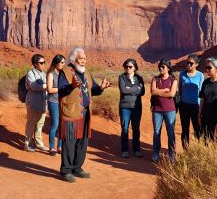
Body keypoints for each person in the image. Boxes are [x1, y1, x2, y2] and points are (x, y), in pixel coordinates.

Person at [57, 47, 111, 182]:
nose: (84, 61)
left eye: (85, 59)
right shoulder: (65, 72)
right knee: (69, 141)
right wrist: (72, 86)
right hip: (71, 111)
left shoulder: (86, 72)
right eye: (81, 59)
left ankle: (77, 167)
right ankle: (66, 170)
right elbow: (61, 91)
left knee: (83, 141)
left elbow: (93, 89)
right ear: (73, 59)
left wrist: (101, 88)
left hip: (85, 112)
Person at [150, 59, 178, 162]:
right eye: (160, 67)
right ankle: (155, 153)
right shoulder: (155, 79)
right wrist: (165, 90)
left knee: (170, 133)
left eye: (163, 67)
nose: (161, 68)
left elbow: (172, 94)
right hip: (157, 110)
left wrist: (159, 92)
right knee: (156, 132)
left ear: (168, 68)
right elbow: (153, 92)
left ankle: (171, 154)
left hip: (170, 110)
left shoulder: (173, 79)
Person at [118, 58, 145, 158]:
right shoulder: (122, 77)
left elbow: (142, 92)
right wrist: (136, 89)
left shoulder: (139, 78)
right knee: (125, 128)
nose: (128, 68)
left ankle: (136, 149)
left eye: (130, 67)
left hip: (136, 106)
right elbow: (123, 90)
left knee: (136, 128)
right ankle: (125, 150)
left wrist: (130, 89)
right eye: (126, 66)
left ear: (135, 68)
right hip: (125, 106)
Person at [177, 55, 204, 149]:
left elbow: (201, 91)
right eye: (187, 62)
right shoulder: (182, 74)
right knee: (185, 129)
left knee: (197, 129)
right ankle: (186, 150)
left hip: (196, 106)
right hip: (184, 105)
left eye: (191, 63)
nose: (188, 64)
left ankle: (199, 150)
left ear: (196, 64)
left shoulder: (200, 75)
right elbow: (180, 89)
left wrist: (201, 106)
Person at [24, 54, 49, 152]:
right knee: (31, 124)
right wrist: (47, 85)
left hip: (43, 103)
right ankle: (27, 144)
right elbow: (33, 86)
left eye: (44, 62)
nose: (43, 64)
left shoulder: (43, 73)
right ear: (35, 64)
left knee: (40, 124)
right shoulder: (30, 73)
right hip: (33, 103)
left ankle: (39, 143)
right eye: (41, 62)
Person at [46, 54, 66, 156]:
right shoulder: (51, 74)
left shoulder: (63, 74)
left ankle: (60, 146)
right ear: (56, 63)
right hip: (53, 101)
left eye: (64, 62)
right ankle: (52, 147)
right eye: (62, 62)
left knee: (62, 125)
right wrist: (62, 89)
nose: (63, 64)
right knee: (55, 124)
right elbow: (49, 89)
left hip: (62, 102)